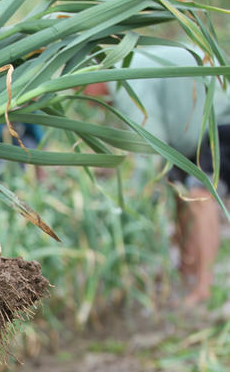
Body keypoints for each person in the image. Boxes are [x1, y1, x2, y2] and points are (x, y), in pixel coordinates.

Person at [86, 44, 230, 307]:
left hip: (217, 119)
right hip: (188, 130)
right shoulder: (125, 69)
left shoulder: (122, 81)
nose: (82, 98)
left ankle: (204, 287)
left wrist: (133, 193)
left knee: (200, 198)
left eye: (79, 91)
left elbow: (150, 146)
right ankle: (187, 273)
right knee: (181, 197)